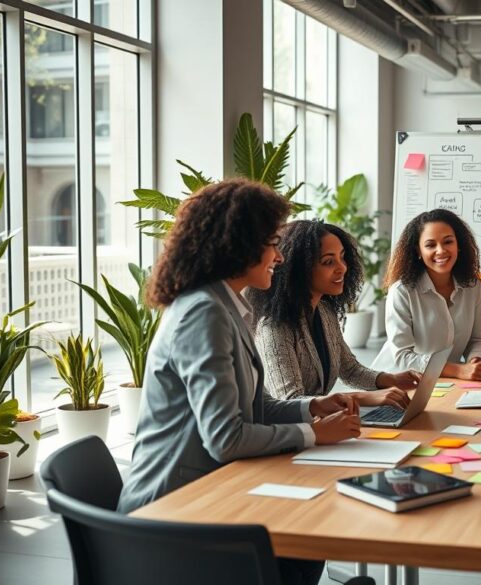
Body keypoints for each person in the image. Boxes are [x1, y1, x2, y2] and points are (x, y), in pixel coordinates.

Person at [117, 180, 362, 585]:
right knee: (304, 545)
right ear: (238, 245)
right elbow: (226, 438)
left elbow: (254, 406)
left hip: (209, 494)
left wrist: (310, 408)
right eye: (271, 243)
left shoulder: (227, 307)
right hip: (171, 514)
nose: (279, 256)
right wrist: (313, 434)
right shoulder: (204, 313)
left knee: (307, 543)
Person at [250, 220, 421, 405]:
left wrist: (390, 380)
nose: (342, 268)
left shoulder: (324, 311)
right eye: (328, 262)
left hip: (319, 425)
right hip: (290, 431)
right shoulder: (274, 327)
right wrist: (364, 398)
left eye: (342, 257)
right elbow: (289, 402)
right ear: (300, 270)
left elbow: (350, 370)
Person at [371, 209, 481, 381]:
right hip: (396, 384)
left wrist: (475, 363)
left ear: (459, 245)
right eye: (430, 245)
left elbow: (478, 339)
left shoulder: (473, 287)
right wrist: (458, 371)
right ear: (418, 251)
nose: (441, 251)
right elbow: (403, 357)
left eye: (448, 242)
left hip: (444, 383)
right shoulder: (402, 291)